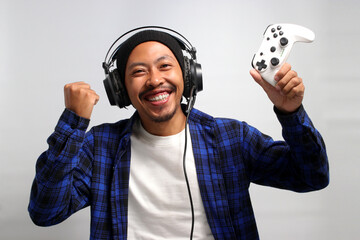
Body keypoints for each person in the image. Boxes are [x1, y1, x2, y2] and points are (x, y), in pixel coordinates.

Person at [28, 28, 329, 240]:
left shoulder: (230, 138)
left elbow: (311, 177)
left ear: (188, 76)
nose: (155, 80)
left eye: (165, 66)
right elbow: (46, 211)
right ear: (119, 90)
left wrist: (291, 113)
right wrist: (73, 122)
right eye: (138, 72)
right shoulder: (100, 146)